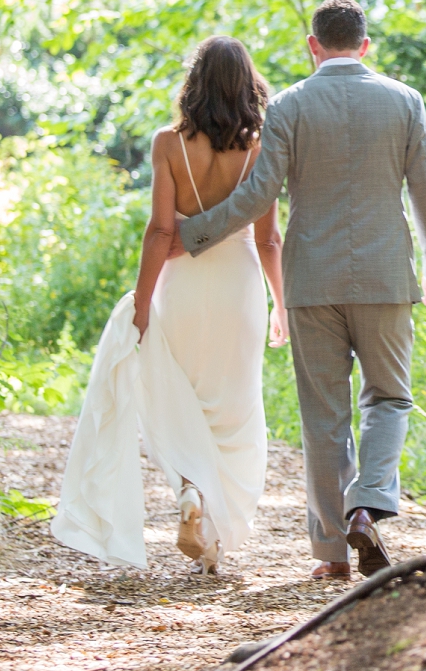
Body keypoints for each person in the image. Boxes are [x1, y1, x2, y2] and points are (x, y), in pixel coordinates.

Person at [173, 0, 426, 580]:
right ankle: (368, 502)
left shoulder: (290, 106)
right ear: (366, 45)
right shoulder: (405, 102)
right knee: (389, 397)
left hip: (311, 279)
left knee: (323, 416)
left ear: (314, 46)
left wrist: (191, 234)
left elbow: (257, 199)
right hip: (383, 277)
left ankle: (330, 556)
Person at [51, 37, 285, 574]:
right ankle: (213, 531)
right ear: (248, 83)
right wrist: (282, 302)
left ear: (194, 81)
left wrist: (142, 299)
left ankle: (189, 491)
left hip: (182, 286)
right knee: (234, 411)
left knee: (182, 401)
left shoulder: (167, 144)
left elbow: (161, 230)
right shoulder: (262, 144)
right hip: (239, 287)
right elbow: (270, 239)